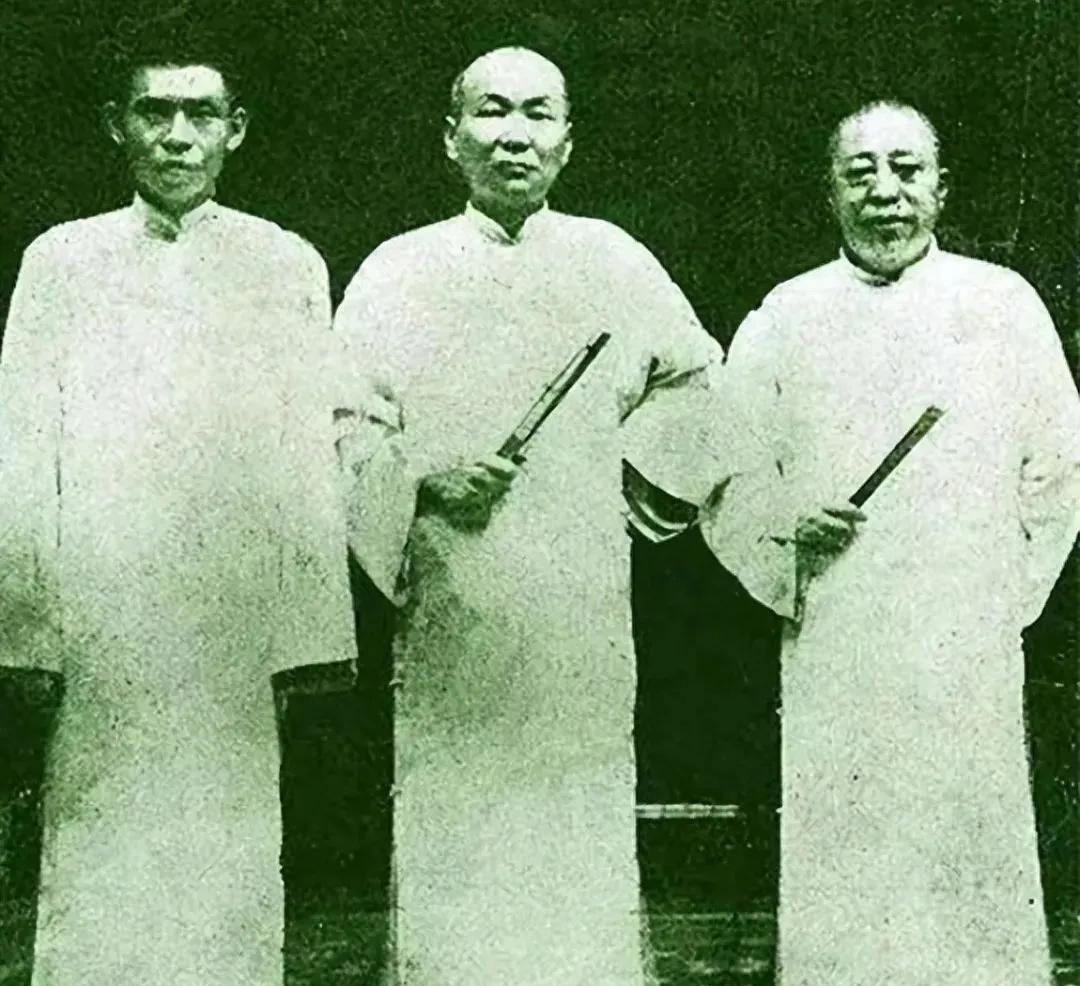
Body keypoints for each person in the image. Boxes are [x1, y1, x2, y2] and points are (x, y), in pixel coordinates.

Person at [334, 46, 724, 986]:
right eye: (492, 111)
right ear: (451, 137)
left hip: (578, 603)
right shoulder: (396, 270)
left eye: (538, 114)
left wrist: (628, 487)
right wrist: (424, 476)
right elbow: (341, 420)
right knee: (455, 824)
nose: (514, 135)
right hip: (452, 600)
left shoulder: (615, 260)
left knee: (575, 826)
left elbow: (700, 385)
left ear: (567, 141)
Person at [702, 101, 1080, 986]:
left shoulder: (1002, 304)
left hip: (965, 636)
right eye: (860, 172)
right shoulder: (785, 316)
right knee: (849, 853)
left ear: (941, 187)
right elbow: (727, 472)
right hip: (839, 631)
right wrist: (787, 521)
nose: (885, 191)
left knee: (968, 855)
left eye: (906, 169)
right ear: (830, 192)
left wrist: (1004, 597)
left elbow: (1060, 465)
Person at [0, 52, 356, 986]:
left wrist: (310, 635)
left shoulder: (285, 263)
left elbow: (304, 456)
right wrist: (25, 633)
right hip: (101, 618)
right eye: (154, 112)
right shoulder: (60, 261)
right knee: (99, 857)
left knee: (227, 862)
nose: (176, 136)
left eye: (200, 114)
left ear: (235, 130)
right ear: (116, 124)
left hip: (231, 624)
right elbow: (23, 450)